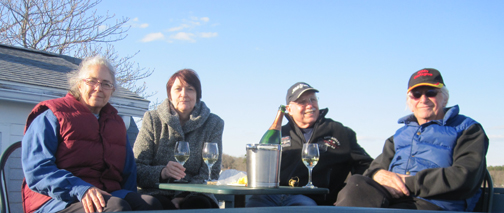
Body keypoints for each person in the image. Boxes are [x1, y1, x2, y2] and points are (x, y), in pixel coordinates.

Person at [21, 56, 162, 213]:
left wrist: (131, 199)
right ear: (79, 85)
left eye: (106, 84)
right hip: (56, 200)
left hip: (108, 194)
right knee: (116, 208)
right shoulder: (52, 116)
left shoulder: (117, 124)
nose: (98, 88)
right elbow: (37, 170)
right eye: (92, 81)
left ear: (112, 90)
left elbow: (128, 172)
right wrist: (81, 189)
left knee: (151, 205)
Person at [335, 68, 489, 211]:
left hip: (435, 204)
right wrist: (376, 174)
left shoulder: (467, 129)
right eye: (416, 94)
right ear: (409, 102)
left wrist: (406, 183)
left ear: (444, 98)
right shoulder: (397, 137)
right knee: (356, 183)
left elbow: (465, 177)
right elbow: (373, 169)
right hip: (391, 200)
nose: (423, 99)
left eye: (431, 93)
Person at [246, 82, 373, 207]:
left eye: (313, 99)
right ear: (289, 109)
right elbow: (262, 165)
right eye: (302, 102)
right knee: (249, 206)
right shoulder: (279, 134)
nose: (310, 105)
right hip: (272, 195)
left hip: (311, 200)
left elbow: (365, 165)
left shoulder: (339, 131)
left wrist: (347, 194)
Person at [133, 69, 224, 209]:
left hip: (197, 193)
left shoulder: (213, 123)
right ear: (170, 94)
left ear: (197, 94)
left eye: (190, 89)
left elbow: (211, 171)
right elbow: (137, 168)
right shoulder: (152, 119)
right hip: (156, 191)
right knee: (155, 206)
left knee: (198, 205)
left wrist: (183, 193)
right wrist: (162, 172)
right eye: (178, 89)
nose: (184, 94)